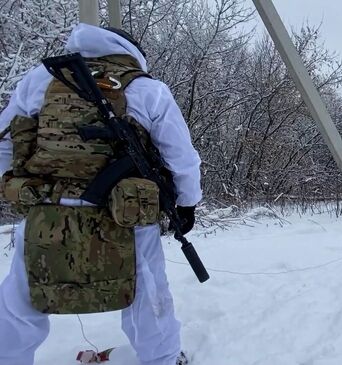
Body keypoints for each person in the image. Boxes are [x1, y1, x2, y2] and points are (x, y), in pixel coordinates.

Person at [0, 24, 201, 365]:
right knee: (147, 294)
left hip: (47, 209)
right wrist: (186, 203)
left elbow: (5, 144)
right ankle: (163, 359)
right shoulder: (147, 89)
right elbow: (182, 158)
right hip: (125, 212)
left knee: (20, 298)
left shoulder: (41, 80)